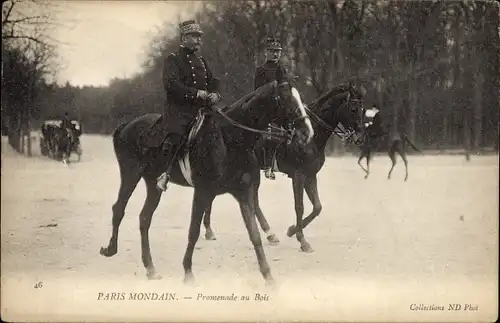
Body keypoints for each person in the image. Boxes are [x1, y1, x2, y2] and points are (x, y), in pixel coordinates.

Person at [156, 20, 222, 191]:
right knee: (177, 136)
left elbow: (214, 82)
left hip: (202, 110)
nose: (199, 40)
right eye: (195, 37)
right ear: (184, 38)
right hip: (179, 110)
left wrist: (216, 94)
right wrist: (195, 93)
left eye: (200, 37)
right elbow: (171, 84)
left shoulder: (201, 61)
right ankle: (166, 173)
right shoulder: (172, 60)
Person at [253, 38, 288, 180]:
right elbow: (257, 91)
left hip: (280, 109)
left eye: (278, 52)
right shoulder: (261, 70)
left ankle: (285, 163)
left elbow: (286, 88)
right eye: (272, 52)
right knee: (265, 138)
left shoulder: (282, 69)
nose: (275, 55)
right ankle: (266, 165)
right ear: (266, 53)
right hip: (265, 108)